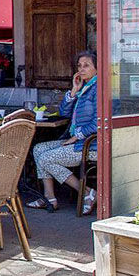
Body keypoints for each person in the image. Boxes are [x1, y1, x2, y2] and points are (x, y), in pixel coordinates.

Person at [27, 50, 101, 215]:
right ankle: (50, 197)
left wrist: (77, 136)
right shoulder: (84, 88)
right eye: (79, 66)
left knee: (46, 158)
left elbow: (99, 121)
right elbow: (64, 113)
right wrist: (74, 91)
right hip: (78, 142)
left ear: (97, 68)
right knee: (38, 149)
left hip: (91, 145)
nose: (81, 69)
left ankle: (87, 192)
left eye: (86, 65)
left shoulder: (98, 89)